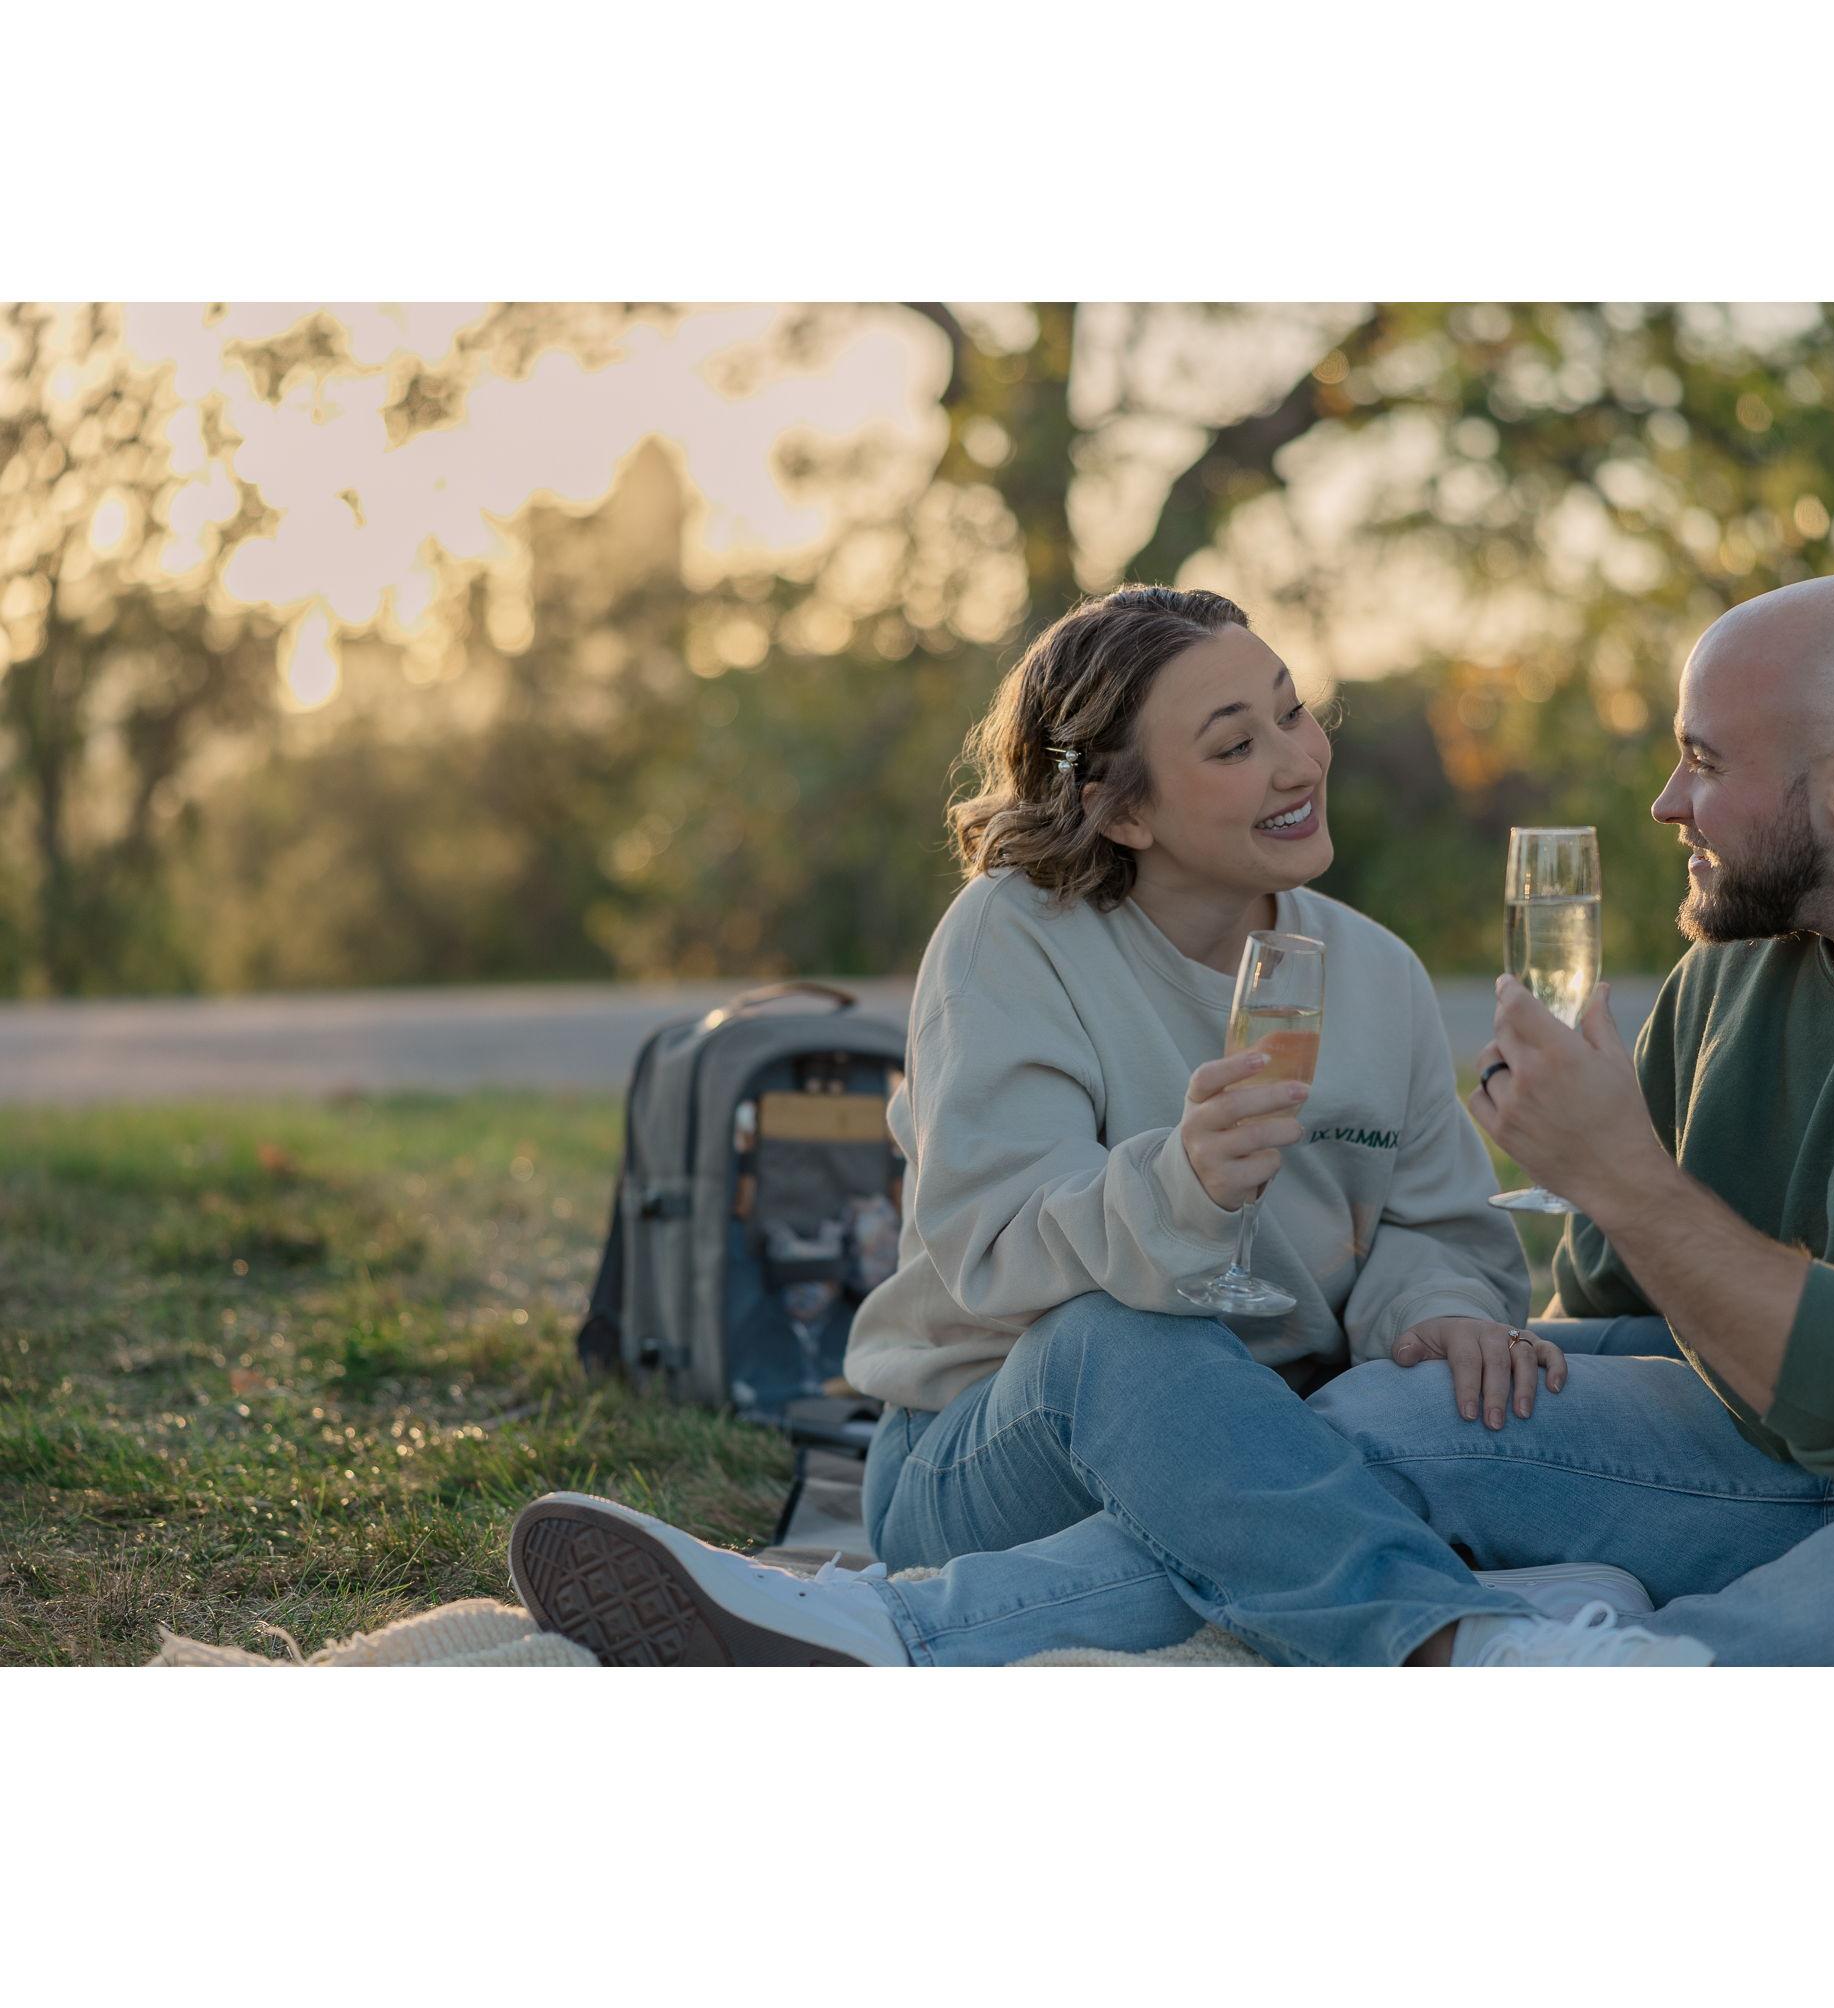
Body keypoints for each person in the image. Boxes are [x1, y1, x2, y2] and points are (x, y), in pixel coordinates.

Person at [508, 585, 1712, 1666]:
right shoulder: (1010, 939)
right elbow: (992, 1247)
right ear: (1119, 807)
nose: (1296, 760)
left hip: (1284, 1425)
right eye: (1234, 744)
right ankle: (1460, 1638)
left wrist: (1432, 1309)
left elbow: (1426, 1223)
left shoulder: (1373, 970)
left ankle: (919, 1623)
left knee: (1638, 1359)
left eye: (1291, 711)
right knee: (1123, 1339)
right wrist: (1182, 1184)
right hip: (992, 1439)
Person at [1306, 571, 1834, 1664]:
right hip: (1753, 1431)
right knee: (1384, 1411)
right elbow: (1614, 1307)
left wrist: (1620, 1175)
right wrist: (1464, 1334)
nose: (1664, 802)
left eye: (1703, 760)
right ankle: (997, 1620)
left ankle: (1657, 1664)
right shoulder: (1742, 955)